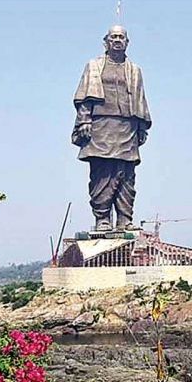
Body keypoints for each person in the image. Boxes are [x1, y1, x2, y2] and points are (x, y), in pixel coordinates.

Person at [71, 25, 151, 231]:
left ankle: (125, 218)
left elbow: (140, 100)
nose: (117, 40)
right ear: (106, 41)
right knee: (102, 174)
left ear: (127, 42)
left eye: (121, 37)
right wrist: (85, 120)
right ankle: (102, 218)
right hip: (101, 126)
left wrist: (141, 127)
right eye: (113, 36)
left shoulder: (135, 70)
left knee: (127, 174)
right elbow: (83, 97)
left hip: (127, 127)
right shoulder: (94, 66)